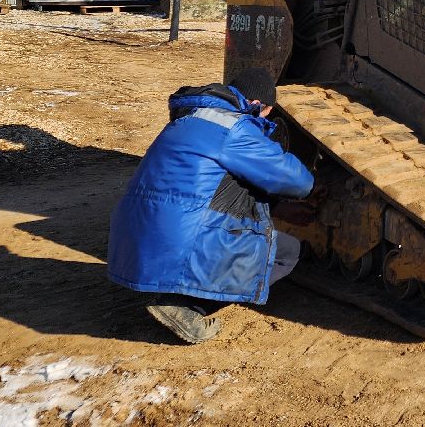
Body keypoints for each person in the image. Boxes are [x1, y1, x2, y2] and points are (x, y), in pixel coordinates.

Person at [108, 83, 314, 344]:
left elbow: (213, 186)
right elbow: (297, 181)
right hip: (178, 236)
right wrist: (319, 185)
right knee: (287, 251)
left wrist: (277, 208)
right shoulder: (235, 127)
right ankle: (185, 305)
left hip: (133, 236)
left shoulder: (189, 119)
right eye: (268, 111)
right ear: (260, 104)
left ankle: (175, 289)